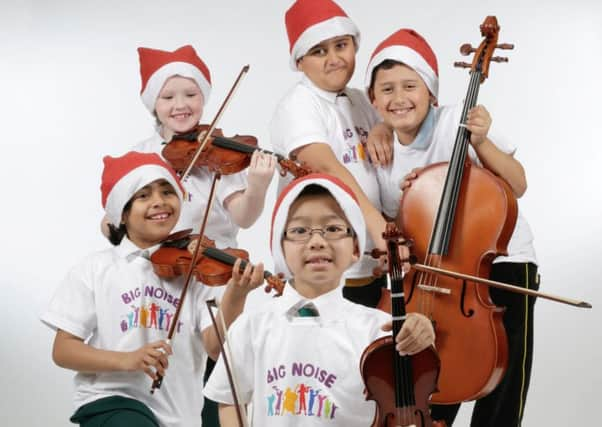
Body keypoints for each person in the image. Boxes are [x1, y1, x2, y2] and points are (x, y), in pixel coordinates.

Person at [365, 28, 539, 427]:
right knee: (433, 378)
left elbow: (518, 184)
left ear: (431, 92)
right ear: (373, 101)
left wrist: (481, 143)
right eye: (386, 89)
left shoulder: (457, 119)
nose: (399, 97)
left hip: (501, 264)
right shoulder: (382, 149)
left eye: (410, 85)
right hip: (434, 276)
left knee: (503, 382)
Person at [42, 151, 264, 427]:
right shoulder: (96, 269)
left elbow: (215, 347)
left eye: (167, 191)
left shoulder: (194, 271)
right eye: (143, 195)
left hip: (179, 414)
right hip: (111, 401)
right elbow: (63, 351)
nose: (159, 202)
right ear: (121, 213)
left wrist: (237, 294)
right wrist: (128, 360)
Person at [203, 173, 436, 426]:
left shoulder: (378, 329)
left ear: (356, 248)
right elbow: (229, 400)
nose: (317, 242)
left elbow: (414, 389)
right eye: (300, 230)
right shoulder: (251, 327)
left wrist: (421, 336)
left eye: (333, 229)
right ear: (280, 248)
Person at [270, 0, 394, 308]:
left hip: (368, 266)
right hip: (319, 271)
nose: (335, 59)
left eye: (341, 45)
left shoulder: (361, 100)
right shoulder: (297, 104)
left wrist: (385, 127)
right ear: (300, 61)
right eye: (319, 51)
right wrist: (374, 222)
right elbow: (324, 165)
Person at [121, 45, 276, 249]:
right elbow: (111, 222)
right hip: (155, 268)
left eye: (191, 95)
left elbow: (244, 218)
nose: (180, 105)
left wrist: (257, 187)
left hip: (212, 267)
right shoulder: (140, 155)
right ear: (153, 104)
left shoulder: (219, 156)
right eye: (168, 97)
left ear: (203, 97)